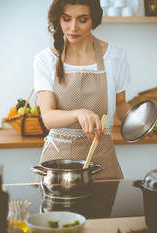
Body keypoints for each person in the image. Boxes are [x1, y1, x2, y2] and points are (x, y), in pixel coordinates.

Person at [34, 0, 131, 180]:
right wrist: (79, 113)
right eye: (66, 19)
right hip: (58, 161)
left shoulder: (115, 55)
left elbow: (120, 104)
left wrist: (140, 118)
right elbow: (48, 117)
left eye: (82, 19)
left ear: (94, 20)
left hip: (102, 157)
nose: (73, 27)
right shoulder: (45, 59)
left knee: (104, 208)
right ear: (58, 19)